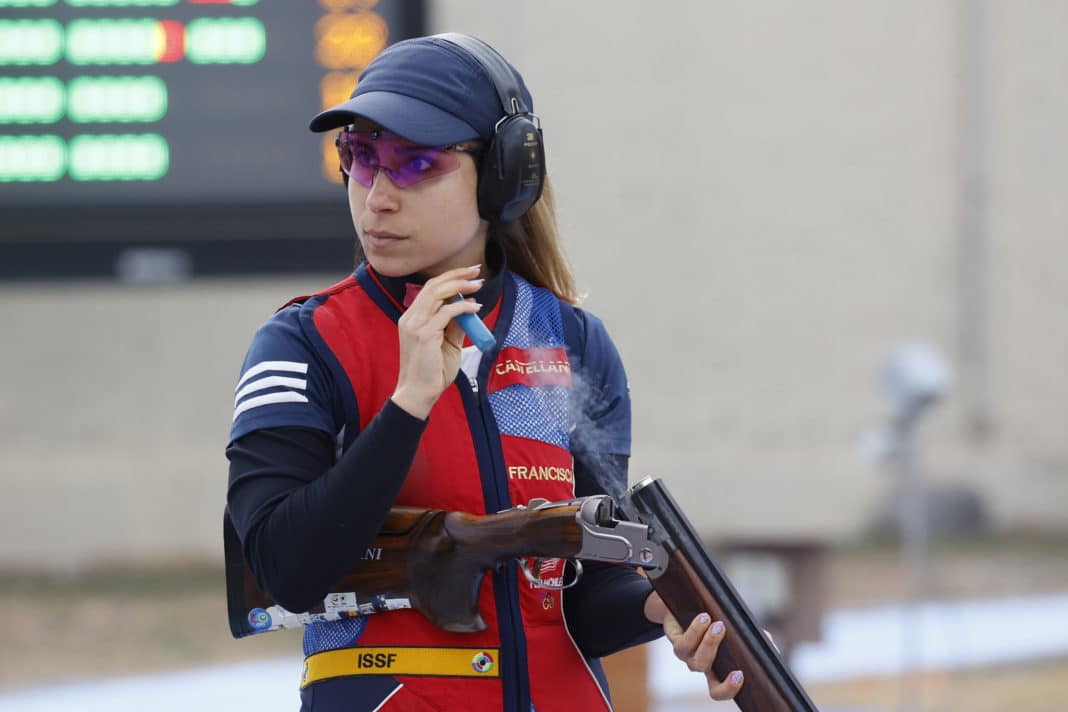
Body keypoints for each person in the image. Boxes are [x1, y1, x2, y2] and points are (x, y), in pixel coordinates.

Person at [226, 33, 744, 711]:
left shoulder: (573, 342)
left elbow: (574, 598)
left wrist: (662, 612)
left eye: (414, 164)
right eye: (358, 157)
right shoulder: (304, 342)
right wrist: (409, 402)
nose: (376, 196)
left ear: (502, 175)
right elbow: (285, 571)